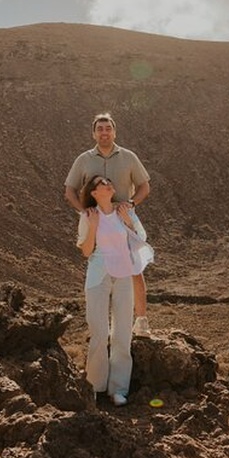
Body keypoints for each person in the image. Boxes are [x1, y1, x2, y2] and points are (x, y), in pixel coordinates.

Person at [65, 113, 153, 337]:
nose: (104, 132)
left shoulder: (129, 157)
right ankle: (102, 326)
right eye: (100, 129)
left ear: (114, 131)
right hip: (96, 219)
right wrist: (83, 211)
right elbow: (70, 190)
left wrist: (132, 203)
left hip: (123, 217)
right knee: (100, 264)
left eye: (108, 128)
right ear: (93, 133)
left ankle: (141, 320)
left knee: (134, 266)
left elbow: (144, 186)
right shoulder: (83, 159)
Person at [77, 175, 153, 406]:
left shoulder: (126, 211)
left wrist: (127, 221)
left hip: (124, 274)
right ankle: (95, 386)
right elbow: (87, 252)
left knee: (122, 333)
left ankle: (118, 389)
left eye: (110, 181)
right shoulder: (88, 216)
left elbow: (141, 238)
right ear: (93, 192)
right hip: (98, 276)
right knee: (99, 332)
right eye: (102, 183)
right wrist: (94, 227)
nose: (109, 184)